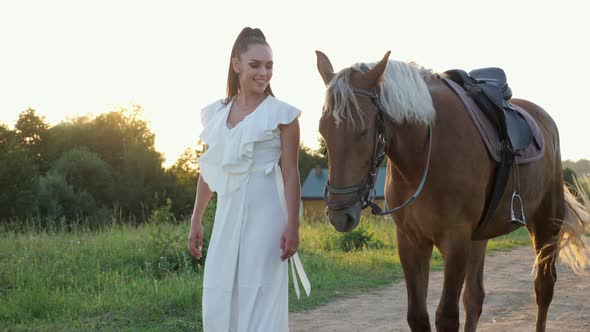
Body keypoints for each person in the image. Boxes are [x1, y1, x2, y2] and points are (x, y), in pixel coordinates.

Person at [187, 27, 310, 331]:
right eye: (255, 64)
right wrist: (196, 218)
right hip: (228, 214)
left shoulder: (284, 116)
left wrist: (292, 225)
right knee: (219, 288)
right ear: (236, 65)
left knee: (260, 291)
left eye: (269, 65)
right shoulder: (216, 112)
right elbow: (209, 169)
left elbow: (291, 173)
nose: (263, 72)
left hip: (266, 211)